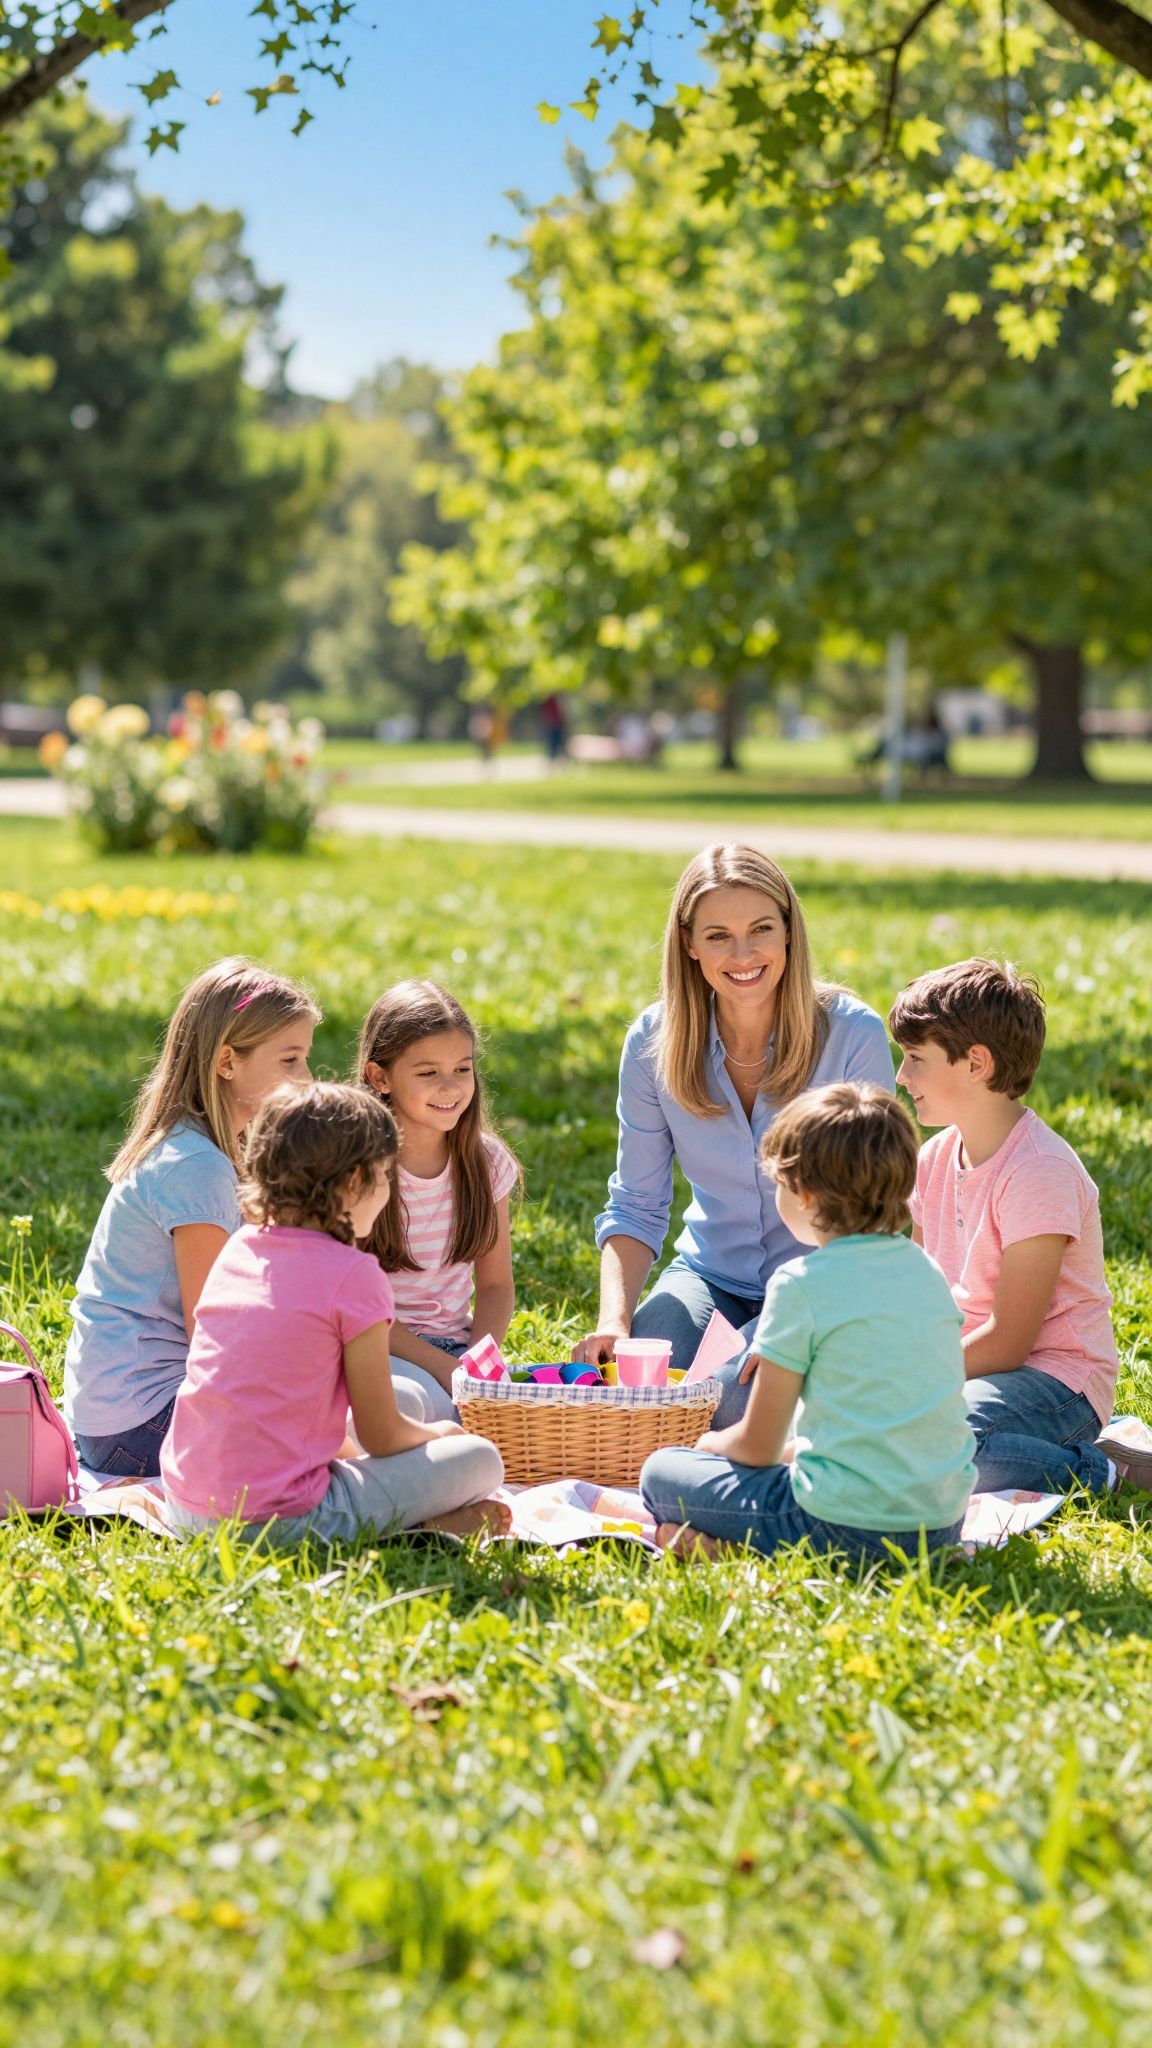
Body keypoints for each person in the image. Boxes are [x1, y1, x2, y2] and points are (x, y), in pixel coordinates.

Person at [573, 844, 894, 1422]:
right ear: (689, 944)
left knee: (724, 1404)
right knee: (632, 1396)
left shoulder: (851, 1035)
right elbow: (637, 1204)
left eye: (761, 929)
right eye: (718, 935)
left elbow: (876, 1211)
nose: (743, 954)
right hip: (706, 1273)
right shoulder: (653, 1044)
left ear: (790, 933)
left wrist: (797, 1321)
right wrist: (614, 1321)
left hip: (817, 1281)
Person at [161, 1082, 506, 1545]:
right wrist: (439, 1434)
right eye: (386, 1176)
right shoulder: (354, 1275)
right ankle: (412, 1534)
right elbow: (380, 1435)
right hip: (276, 1523)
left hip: (186, 1506)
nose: (389, 1191)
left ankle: (399, 1521)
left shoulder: (241, 1247)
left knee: (403, 1393)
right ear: (351, 1184)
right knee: (481, 1459)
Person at [640, 1083, 975, 1560]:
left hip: (839, 1524)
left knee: (661, 1471)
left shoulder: (800, 1284)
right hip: (939, 1525)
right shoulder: (928, 1271)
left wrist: (711, 1444)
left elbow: (757, 1446)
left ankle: (738, 1550)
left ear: (807, 1196)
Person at [889, 957, 1152, 1495]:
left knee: (938, 1443)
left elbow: (1011, 1342)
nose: (901, 1075)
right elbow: (913, 1289)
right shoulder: (935, 1156)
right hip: (970, 1368)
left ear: (976, 1063)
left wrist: (913, 1376)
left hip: (1058, 1382)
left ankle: (1106, 1467)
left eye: (915, 1058)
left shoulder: (1039, 1172)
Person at [64, 959, 319, 1477]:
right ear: (227, 1062)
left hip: (124, 1414)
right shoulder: (196, 1165)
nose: (306, 1078)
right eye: (289, 1060)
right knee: (324, 1432)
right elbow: (213, 1325)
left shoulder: (212, 1145)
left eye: (305, 1058)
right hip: (138, 1426)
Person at [356, 980, 520, 1422]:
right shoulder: (355, 1168)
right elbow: (357, 1309)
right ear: (379, 1077)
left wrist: (475, 1364)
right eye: (428, 1073)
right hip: (374, 1347)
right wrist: (448, 1373)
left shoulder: (486, 1164)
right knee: (416, 1408)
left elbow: (496, 1286)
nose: (450, 1087)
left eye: (462, 1069)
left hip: (457, 1349)